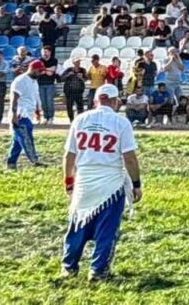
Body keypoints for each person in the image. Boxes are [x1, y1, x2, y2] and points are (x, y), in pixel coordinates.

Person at [61, 84, 142, 281]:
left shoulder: (80, 120)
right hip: (110, 182)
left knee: (77, 224)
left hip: (84, 179)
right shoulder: (121, 123)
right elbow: (129, 157)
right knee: (107, 229)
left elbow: (69, 155)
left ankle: (68, 267)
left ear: (96, 100)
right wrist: (136, 183)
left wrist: (69, 181)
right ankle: (98, 270)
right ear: (115, 102)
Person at [7, 61, 46, 169]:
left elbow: (35, 96)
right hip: (21, 114)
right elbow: (14, 99)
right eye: (39, 71)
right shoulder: (20, 81)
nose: (41, 73)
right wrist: (14, 114)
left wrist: (38, 111)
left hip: (28, 114)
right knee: (27, 138)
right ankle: (34, 160)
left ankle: (11, 162)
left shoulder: (34, 81)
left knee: (18, 141)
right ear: (33, 69)